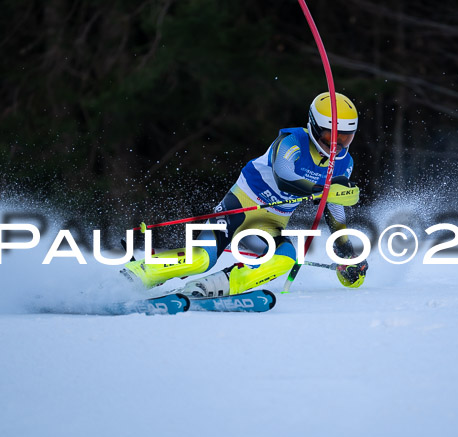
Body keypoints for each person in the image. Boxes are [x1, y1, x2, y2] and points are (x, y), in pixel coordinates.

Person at [124, 92, 369, 297]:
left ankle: (215, 287)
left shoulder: (344, 163)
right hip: (239, 208)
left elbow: (334, 206)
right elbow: (285, 177)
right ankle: (139, 273)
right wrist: (323, 190)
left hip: (269, 225)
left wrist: (346, 250)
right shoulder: (291, 140)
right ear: (313, 126)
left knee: (286, 258)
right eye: (330, 136)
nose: (336, 145)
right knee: (201, 260)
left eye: (345, 137)